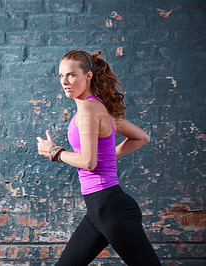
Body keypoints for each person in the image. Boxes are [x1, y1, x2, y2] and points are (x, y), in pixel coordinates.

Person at [36, 50, 161, 265]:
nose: (65, 82)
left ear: (88, 76)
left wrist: (55, 152)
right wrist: (108, 156)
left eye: (71, 75)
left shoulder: (88, 110)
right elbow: (141, 137)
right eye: (61, 75)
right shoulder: (97, 108)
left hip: (111, 208)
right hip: (98, 212)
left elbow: (88, 162)